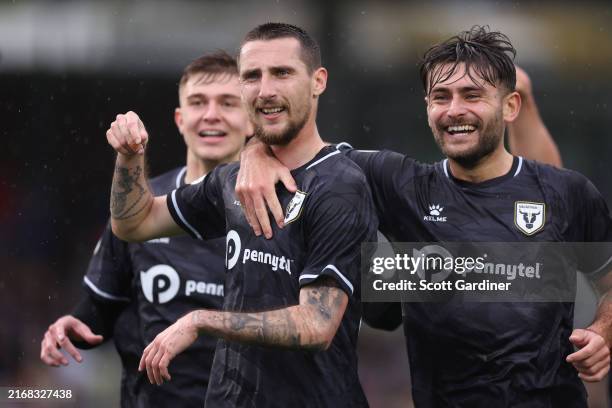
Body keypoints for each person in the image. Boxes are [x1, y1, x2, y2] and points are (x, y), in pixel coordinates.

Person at [235, 26, 612, 407]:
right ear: (427, 107)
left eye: (472, 95)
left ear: (509, 106)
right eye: (440, 97)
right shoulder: (401, 184)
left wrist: (602, 331)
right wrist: (255, 151)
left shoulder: (569, 192)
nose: (454, 110)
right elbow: (295, 141)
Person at [105, 23, 377, 407]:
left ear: (318, 81)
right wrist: (129, 156)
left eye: (282, 73)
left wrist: (201, 320)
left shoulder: (340, 184)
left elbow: (317, 325)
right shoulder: (231, 179)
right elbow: (134, 223)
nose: (266, 90)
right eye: (252, 76)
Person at [40, 51, 252, 407]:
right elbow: (99, 311)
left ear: (250, 121)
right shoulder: (138, 209)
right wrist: (71, 325)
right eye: (198, 102)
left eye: (228, 103)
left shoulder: (280, 210)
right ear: (180, 119)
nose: (211, 114)